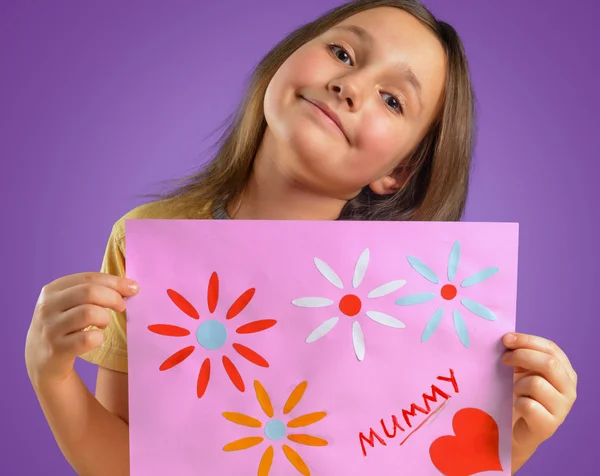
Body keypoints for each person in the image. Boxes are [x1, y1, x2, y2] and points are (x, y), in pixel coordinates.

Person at [24, 0, 577, 474]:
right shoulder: (148, 238)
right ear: (285, 60)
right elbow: (128, 463)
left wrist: (514, 439)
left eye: (393, 99)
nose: (351, 84)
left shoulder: (407, 305)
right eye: (342, 53)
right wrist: (49, 375)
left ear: (398, 174)